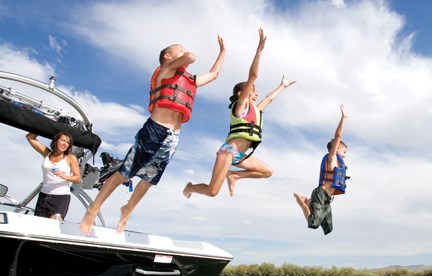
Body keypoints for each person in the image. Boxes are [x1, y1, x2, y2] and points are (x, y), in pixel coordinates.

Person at [80, 35, 226, 235]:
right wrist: (185, 55)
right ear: (168, 56)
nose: (184, 52)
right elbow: (191, 57)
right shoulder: (165, 71)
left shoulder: (189, 80)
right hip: (154, 131)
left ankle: (127, 210)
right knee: (124, 173)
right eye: (179, 50)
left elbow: (214, 74)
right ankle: (93, 208)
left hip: (173, 138)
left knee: (149, 180)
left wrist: (223, 52)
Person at [183, 28, 296, 198]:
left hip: (241, 156)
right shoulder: (241, 106)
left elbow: (269, 98)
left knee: (267, 172)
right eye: (252, 90)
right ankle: (190, 187)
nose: (255, 93)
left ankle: (234, 175)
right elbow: (253, 75)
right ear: (240, 93)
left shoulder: (256, 110)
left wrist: (283, 86)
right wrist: (259, 50)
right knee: (212, 191)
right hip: (229, 151)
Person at [294, 105, 349, 235]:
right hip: (321, 194)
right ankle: (302, 202)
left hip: (326, 199)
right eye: (344, 152)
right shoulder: (332, 158)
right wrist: (343, 118)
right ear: (336, 149)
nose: (345, 155)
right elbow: (338, 136)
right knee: (313, 224)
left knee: (328, 229)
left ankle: (308, 201)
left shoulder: (338, 163)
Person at [26, 132, 81, 220]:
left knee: (53, 225)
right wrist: (44, 124)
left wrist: (64, 176)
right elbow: (30, 137)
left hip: (60, 197)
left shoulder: (70, 158)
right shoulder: (47, 153)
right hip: (44, 195)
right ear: (55, 141)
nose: (65, 144)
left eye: (67, 142)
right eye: (63, 140)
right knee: (39, 223)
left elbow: (78, 178)